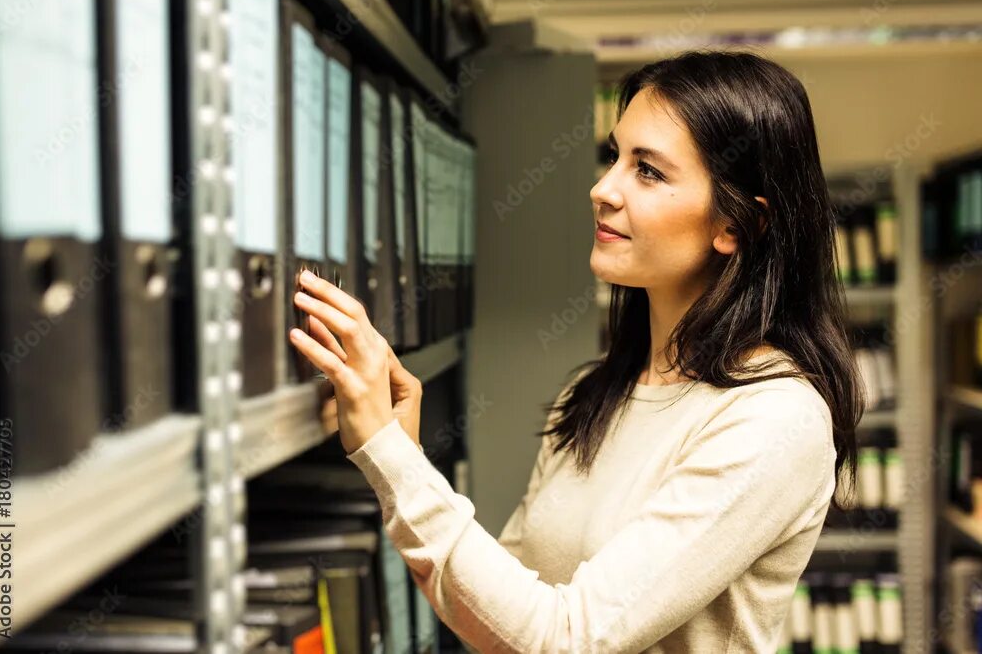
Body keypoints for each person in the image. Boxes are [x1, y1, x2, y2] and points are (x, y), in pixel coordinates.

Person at [289, 50, 864, 653]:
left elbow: (566, 640)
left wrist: (391, 457)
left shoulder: (772, 419)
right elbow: (495, 615)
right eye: (614, 156)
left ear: (736, 226)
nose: (602, 188)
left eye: (648, 171)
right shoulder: (595, 392)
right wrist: (400, 456)